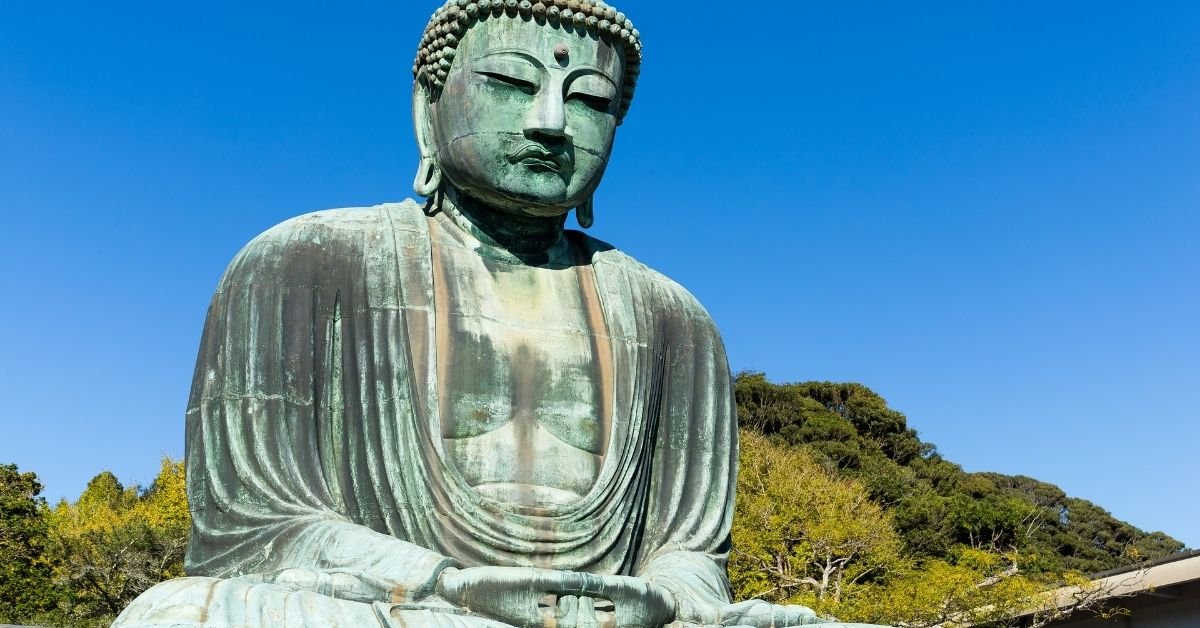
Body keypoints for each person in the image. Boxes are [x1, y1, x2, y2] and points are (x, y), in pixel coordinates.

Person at [115, 2, 890, 626]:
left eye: (588, 99)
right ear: (429, 108)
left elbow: (691, 555)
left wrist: (662, 597)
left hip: (624, 620)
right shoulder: (303, 263)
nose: (551, 122)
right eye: (513, 85)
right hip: (407, 604)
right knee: (186, 613)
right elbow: (254, 528)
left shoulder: (672, 318)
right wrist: (451, 585)